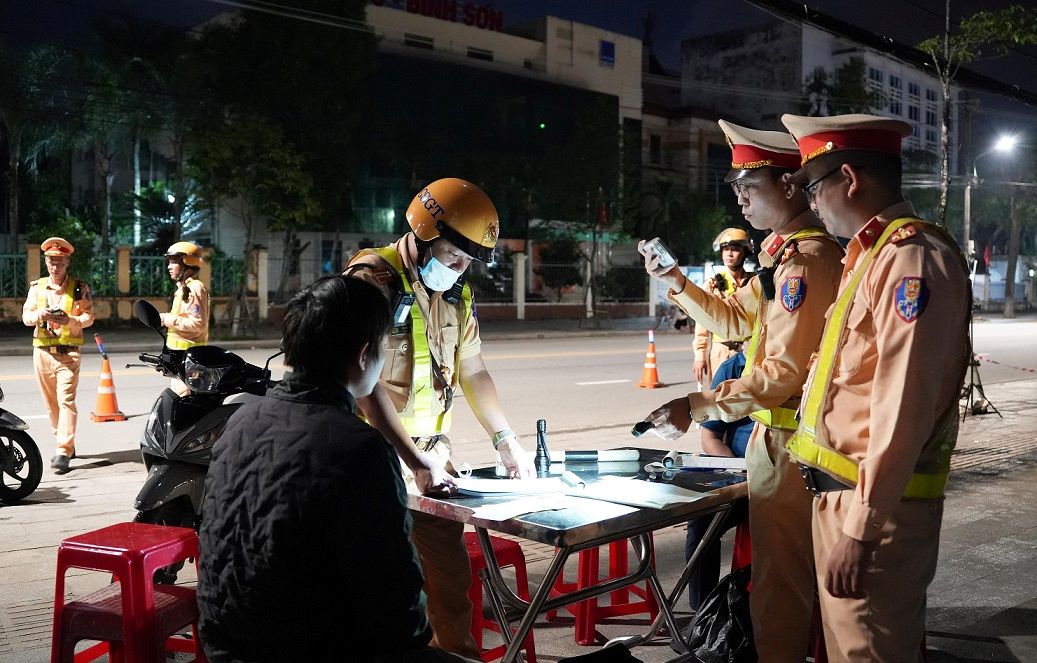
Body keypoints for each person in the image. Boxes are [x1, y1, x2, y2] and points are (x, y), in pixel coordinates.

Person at [637, 119, 844, 662]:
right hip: (768, 441)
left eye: (750, 189)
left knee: (782, 588)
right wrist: (675, 279)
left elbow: (782, 374)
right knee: (775, 581)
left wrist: (697, 404)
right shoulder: (780, 259)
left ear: (791, 187)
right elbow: (732, 321)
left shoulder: (806, 261)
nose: (741, 202)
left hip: (790, 443)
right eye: (736, 190)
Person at [198, 275, 473, 663]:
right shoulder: (358, 449)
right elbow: (398, 609)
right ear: (364, 356)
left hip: (228, 648)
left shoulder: (238, 424)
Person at [780, 113, 970, 661]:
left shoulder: (912, 259)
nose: (811, 204)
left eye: (814, 188)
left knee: (869, 652)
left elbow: (901, 404)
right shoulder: (872, 256)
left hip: (873, 511)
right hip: (845, 497)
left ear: (850, 178)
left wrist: (861, 530)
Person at [345, 177, 534, 659]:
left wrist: (505, 438)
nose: (461, 268)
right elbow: (361, 384)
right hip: (374, 464)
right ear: (426, 231)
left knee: (450, 586)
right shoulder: (372, 281)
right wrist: (412, 461)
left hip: (433, 462)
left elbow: (473, 369)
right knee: (380, 593)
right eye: (455, 255)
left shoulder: (455, 295)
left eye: (470, 260)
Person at [685, 351, 753, 611]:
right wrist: (741, 471)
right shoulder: (733, 368)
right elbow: (710, 439)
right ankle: (702, 613)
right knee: (702, 517)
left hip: (783, 480)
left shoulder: (793, 364)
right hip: (740, 476)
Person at [21, 237, 94, 475]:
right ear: (46, 262)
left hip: (68, 354)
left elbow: (89, 318)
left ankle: (63, 450)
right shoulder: (37, 288)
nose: (55, 266)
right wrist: (41, 314)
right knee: (51, 405)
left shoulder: (79, 288)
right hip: (42, 352)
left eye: (60, 262)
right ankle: (66, 442)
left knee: (66, 402)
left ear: (67, 262)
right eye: (52, 261)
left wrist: (70, 320)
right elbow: (26, 318)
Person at [693, 229, 754, 385]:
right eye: (726, 249)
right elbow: (702, 321)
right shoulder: (712, 285)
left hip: (750, 351)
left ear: (746, 252)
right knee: (719, 400)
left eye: (735, 249)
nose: (729, 254)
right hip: (721, 352)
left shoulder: (755, 283)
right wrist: (700, 355)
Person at [160, 241, 209, 393]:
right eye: (169, 262)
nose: (169, 266)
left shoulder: (194, 288)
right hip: (180, 357)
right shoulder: (183, 289)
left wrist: (168, 319)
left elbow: (198, 324)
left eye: (173, 262)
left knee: (185, 398)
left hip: (190, 358)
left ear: (187, 263)